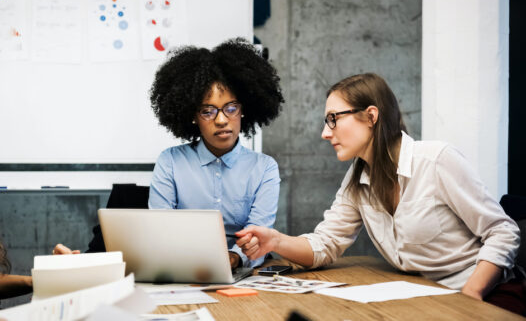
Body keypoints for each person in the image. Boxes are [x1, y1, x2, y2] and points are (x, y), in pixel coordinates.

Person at [236, 73, 525, 314]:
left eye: (333, 118)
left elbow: (503, 232)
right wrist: (274, 240)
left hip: (486, 295)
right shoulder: (358, 177)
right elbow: (327, 243)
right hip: (427, 298)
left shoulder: (436, 160)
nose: (326, 132)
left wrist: (471, 293)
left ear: (371, 116)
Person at [148, 38, 284, 268]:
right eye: (207, 111)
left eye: (231, 108)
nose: (221, 120)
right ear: (192, 116)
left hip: (241, 271)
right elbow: (159, 232)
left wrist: (233, 258)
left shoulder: (264, 168)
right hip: (182, 267)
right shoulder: (170, 162)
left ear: (244, 111)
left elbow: (259, 239)